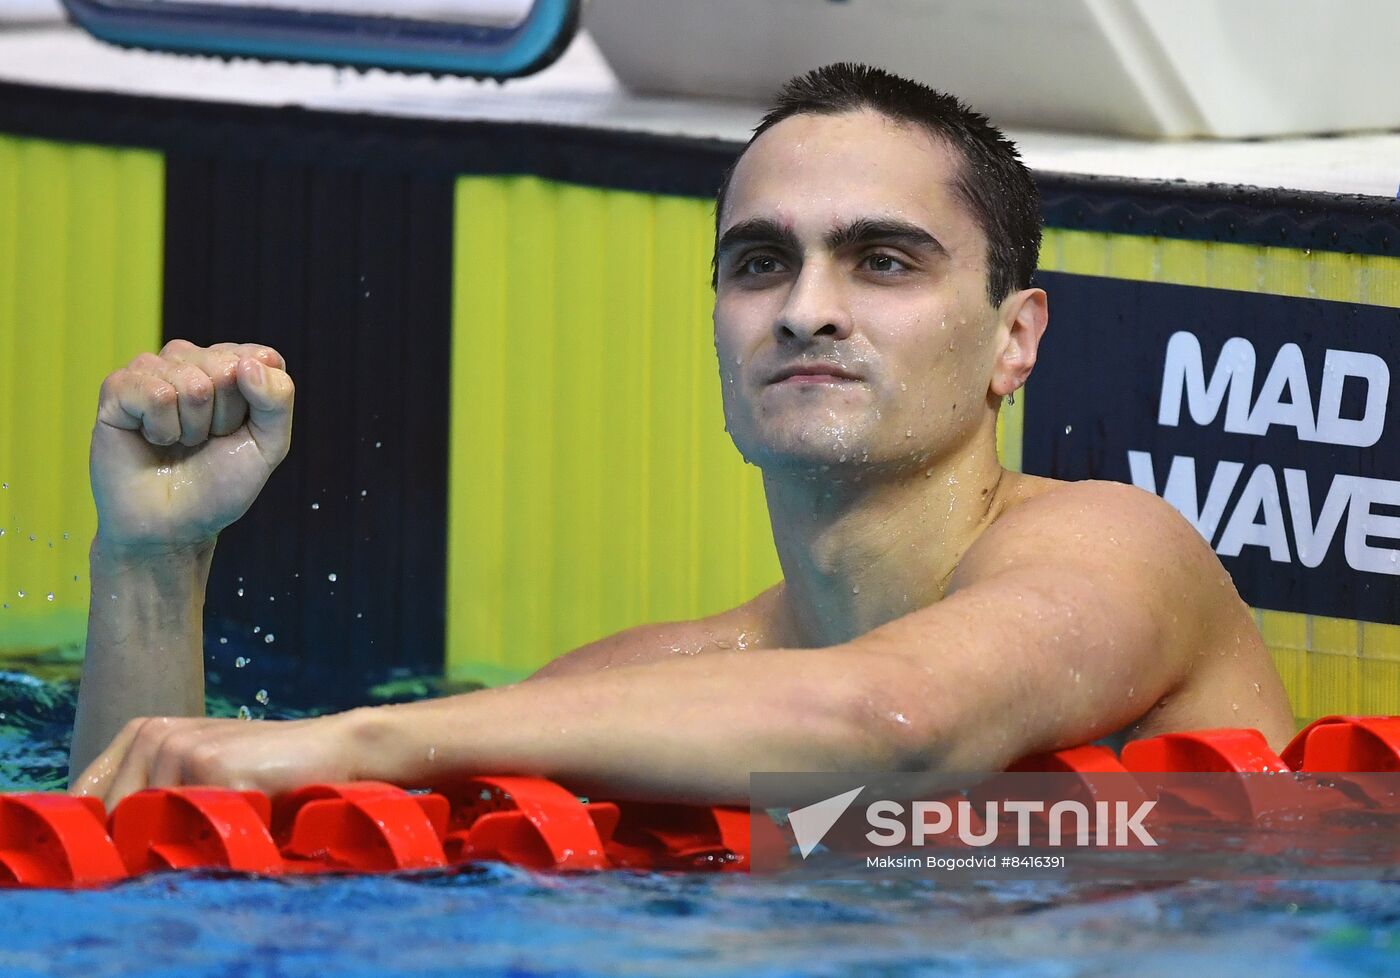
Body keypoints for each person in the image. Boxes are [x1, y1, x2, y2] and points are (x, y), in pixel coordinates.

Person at [67, 64, 1294, 808]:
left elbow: (898, 722)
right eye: (759, 263)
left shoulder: (1119, 549)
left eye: (881, 260)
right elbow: (150, 853)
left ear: (1013, 339)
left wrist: (360, 738)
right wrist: (154, 561)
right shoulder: (640, 685)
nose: (805, 309)